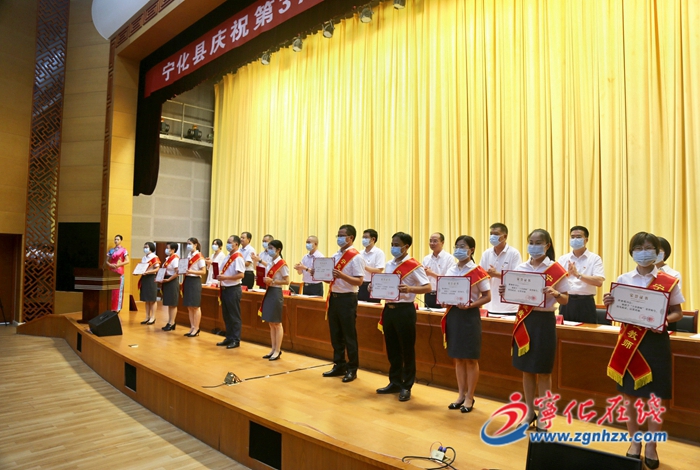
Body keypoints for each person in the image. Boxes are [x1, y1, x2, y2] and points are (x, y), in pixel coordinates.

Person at [603, 232, 684, 469]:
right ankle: (634, 442)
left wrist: (663, 321)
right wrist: (610, 304)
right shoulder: (624, 278)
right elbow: (618, 312)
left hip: (656, 342)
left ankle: (651, 445)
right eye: (638, 248)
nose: (643, 252)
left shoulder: (668, 280)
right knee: (629, 395)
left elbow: (678, 313)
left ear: (657, 252)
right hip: (630, 344)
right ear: (632, 252)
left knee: (656, 397)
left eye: (649, 248)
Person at [498, 229, 569, 431]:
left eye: (538, 243)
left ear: (547, 245)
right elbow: (514, 294)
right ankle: (530, 412)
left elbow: (565, 299)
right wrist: (505, 291)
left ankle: (545, 414)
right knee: (527, 369)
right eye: (531, 242)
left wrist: (556, 293)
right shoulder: (521, 267)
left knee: (544, 371)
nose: (534, 246)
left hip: (544, 321)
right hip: (525, 320)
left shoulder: (556, 270)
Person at [373, 232, 431, 402]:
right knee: (392, 349)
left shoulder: (413, 266)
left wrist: (410, 289)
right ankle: (395, 382)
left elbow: (427, 287)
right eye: (392, 244)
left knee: (407, 349)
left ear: (406, 247)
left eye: (397, 245)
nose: (393, 247)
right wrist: (374, 288)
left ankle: (407, 385)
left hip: (405, 310)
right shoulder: (389, 264)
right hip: (389, 310)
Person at [440, 236, 491, 413]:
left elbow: (487, 296)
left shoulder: (478, 271)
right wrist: (444, 300)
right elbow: (445, 290)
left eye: (462, 247)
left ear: (471, 250)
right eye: (456, 246)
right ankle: (461, 395)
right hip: (453, 314)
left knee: (470, 358)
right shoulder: (451, 269)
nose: (458, 250)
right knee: (458, 358)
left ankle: (470, 396)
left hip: (469, 316)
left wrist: (471, 305)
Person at [311, 224, 365, 382]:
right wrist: (318, 274)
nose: (339, 238)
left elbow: (359, 281)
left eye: (342, 236)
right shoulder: (335, 255)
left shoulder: (356, 257)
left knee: (349, 335)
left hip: (348, 298)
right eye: (338, 236)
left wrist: (342, 275)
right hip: (334, 297)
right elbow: (331, 279)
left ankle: (352, 368)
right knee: (336, 334)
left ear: (351, 238)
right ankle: (339, 364)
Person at [557, 226, 605, 323]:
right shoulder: (563, 259)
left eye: (578, 237)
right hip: (566, 302)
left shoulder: (594, 258)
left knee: (587, 331)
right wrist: (567, 275)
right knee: (564, 331)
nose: (575, 239)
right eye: (572, 237)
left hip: (586, 303)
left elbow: (599, 281)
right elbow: (556, 282)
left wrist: (578, 275)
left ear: (586, 240)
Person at [480, 223, 522, 315]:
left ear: (505, 236)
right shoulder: (486, 253)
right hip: (489, 305)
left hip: (509, 306)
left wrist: (496, 274)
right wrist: (486, 274)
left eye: (496, 234)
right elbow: (480, 276)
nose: (492, 237)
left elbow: (517, 278)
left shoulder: (514, 253)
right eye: (491, 234)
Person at [258, 240, 289, 360]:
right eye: (268, 248)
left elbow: (287, 281)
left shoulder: (282, 264)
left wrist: (273, 281)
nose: (269, 250)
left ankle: (278, 350)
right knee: (271, 323)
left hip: (276, 292)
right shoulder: (270, 262)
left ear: (278, 250)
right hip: (269, 291)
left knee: (277, 323)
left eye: (271, 248)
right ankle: (272, 349)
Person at [216, 235, 246, 349]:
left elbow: (241, 274)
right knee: (227, 315)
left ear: (236, 244)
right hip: (225, 288)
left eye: (230, 242)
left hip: (233, 289)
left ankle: (235, 339)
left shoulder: (238, 257)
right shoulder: (228, 256)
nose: (228, 244)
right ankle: (229, 337)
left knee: (234, 316)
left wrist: (226, 278)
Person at [422, 232, 456, 308]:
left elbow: (450, 280)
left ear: (442, 242)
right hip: (428, 294)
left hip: (443, 293)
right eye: (430, 241)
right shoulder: (426, 258)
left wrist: (431, 273)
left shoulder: (449, 258)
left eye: (435, 241)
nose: (432, 243)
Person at [183, 237, 206, 337]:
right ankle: (192, 327)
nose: (188, 245)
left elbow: (203, 271)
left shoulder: (199, 256)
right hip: (188, 280)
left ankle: (196, 328)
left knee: (195, 306)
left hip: (195, 280)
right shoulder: (188, 255)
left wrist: (191, 271)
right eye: (187, 244)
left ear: (195, 245)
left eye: (190, 243)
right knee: (189, 306)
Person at [358, 229, 385, 303]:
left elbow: (379, 270)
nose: (363, 240)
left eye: (366, 237)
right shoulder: (360, 253)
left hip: (373, 285)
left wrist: (363, 266)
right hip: (361, 284)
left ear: (373, 239)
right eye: (363, 237)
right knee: (360, 306)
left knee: (372, 307)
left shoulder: (379, 253)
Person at [104, 235, 129, 312]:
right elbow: (106, 261)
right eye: (115, 239)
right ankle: (110, 307)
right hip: (111, 270)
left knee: (118, 290)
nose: (116, 241)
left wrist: (118, 265)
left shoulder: (124, 250)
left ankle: (117, 308)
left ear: (121, 240)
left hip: (119, 271)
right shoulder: (111, 250)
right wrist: (110, 264)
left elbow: (127, 261)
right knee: (111, 289)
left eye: (118, 239)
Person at [138, 242, 161, 324]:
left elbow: (157, 269)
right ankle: (147, 316)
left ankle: (153, 317)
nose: (145, 248)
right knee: (147, 299)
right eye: (144, 247)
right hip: (145, 278)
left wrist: (148, 272)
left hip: (151, 278)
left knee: (152, 299)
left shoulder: (154, 257)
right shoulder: (144, 258)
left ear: (151, 248)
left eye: (146, 247)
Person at [159, 242, 180, 331]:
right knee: (169, 303)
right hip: (167, 280)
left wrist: (169, 279)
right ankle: (170, 321)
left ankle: (172, 322)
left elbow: (177, 272)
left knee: (173, 304)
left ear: (173, 249)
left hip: (172, 281)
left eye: (168, 248)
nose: (166, 250)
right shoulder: (168, 258)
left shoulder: (175, 259)